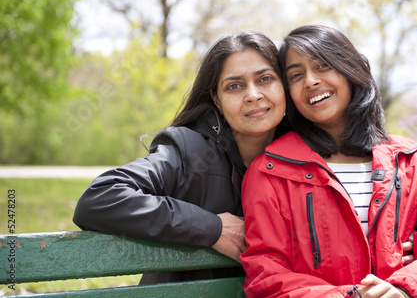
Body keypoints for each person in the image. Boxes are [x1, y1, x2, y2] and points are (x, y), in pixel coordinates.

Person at [240, 25, 417, 297]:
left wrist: (406, 289)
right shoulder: (270, 173)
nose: (310, 81)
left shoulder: (412, 161)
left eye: (323, 65)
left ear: (350, 69)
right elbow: (266, 274)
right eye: (295, 75)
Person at [73, 31, 287, 284]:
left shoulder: (306, 158)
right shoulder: (188, 151)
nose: (253, 94)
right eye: (235, 86)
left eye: (265, 79)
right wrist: (211, 228)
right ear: (216, 101)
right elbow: (100, 198)